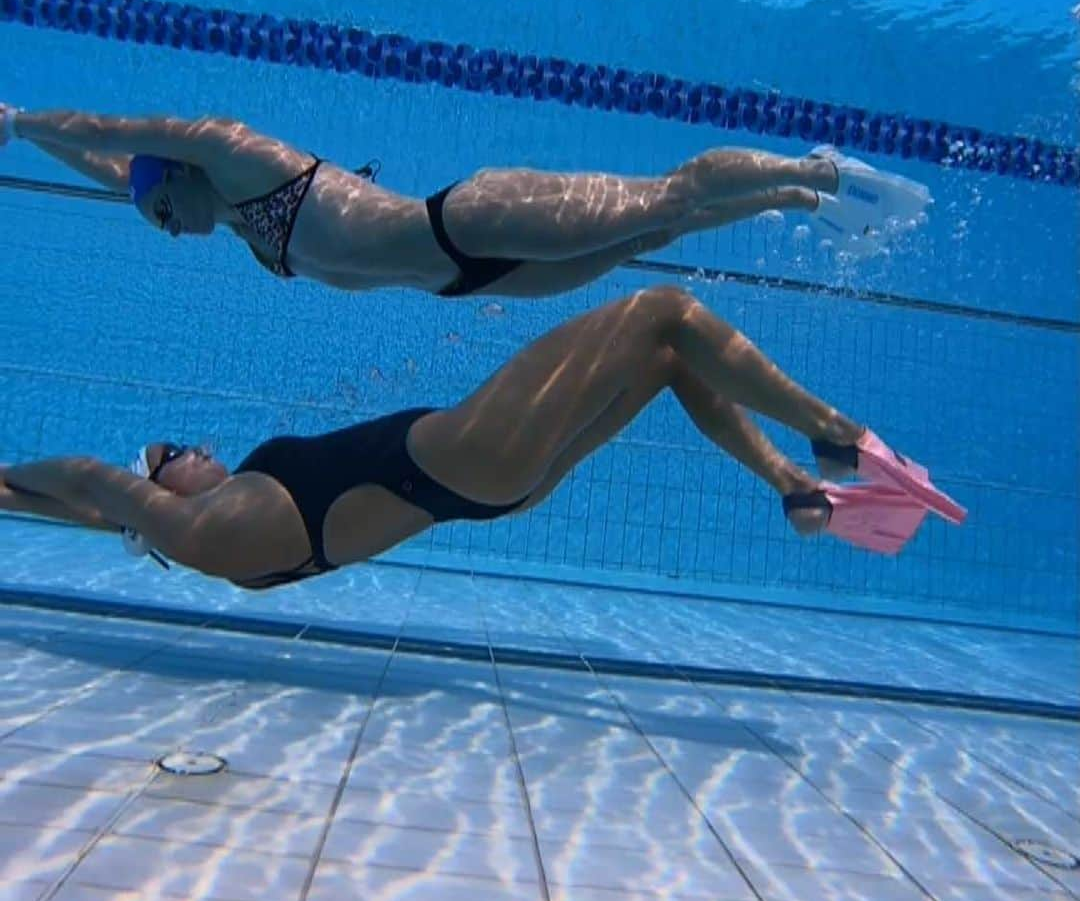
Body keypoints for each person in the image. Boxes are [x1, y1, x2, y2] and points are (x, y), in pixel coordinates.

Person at [0, 287, 964, 590]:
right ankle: (837, 437)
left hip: (484, 478)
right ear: (160, 494)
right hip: (462, 460)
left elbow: (85, 504)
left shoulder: (221, 516)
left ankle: (796, 485)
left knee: (670, 358)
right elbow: (89, 477)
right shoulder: (204, 532)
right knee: (662, 309)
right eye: (173, 451)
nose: (193, 447)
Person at [0, 102, 930, 296]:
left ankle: (816, 170)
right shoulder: (224, 214)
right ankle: (801, 206)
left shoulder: (234, 158)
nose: (167, 233)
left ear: (185, 178)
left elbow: (119, 135)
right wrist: (33, 142)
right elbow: (114, 170)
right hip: (469, 279)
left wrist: (19, 117)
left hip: (465, 219)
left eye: (162, 212)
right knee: (661, 229)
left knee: (664, 196)